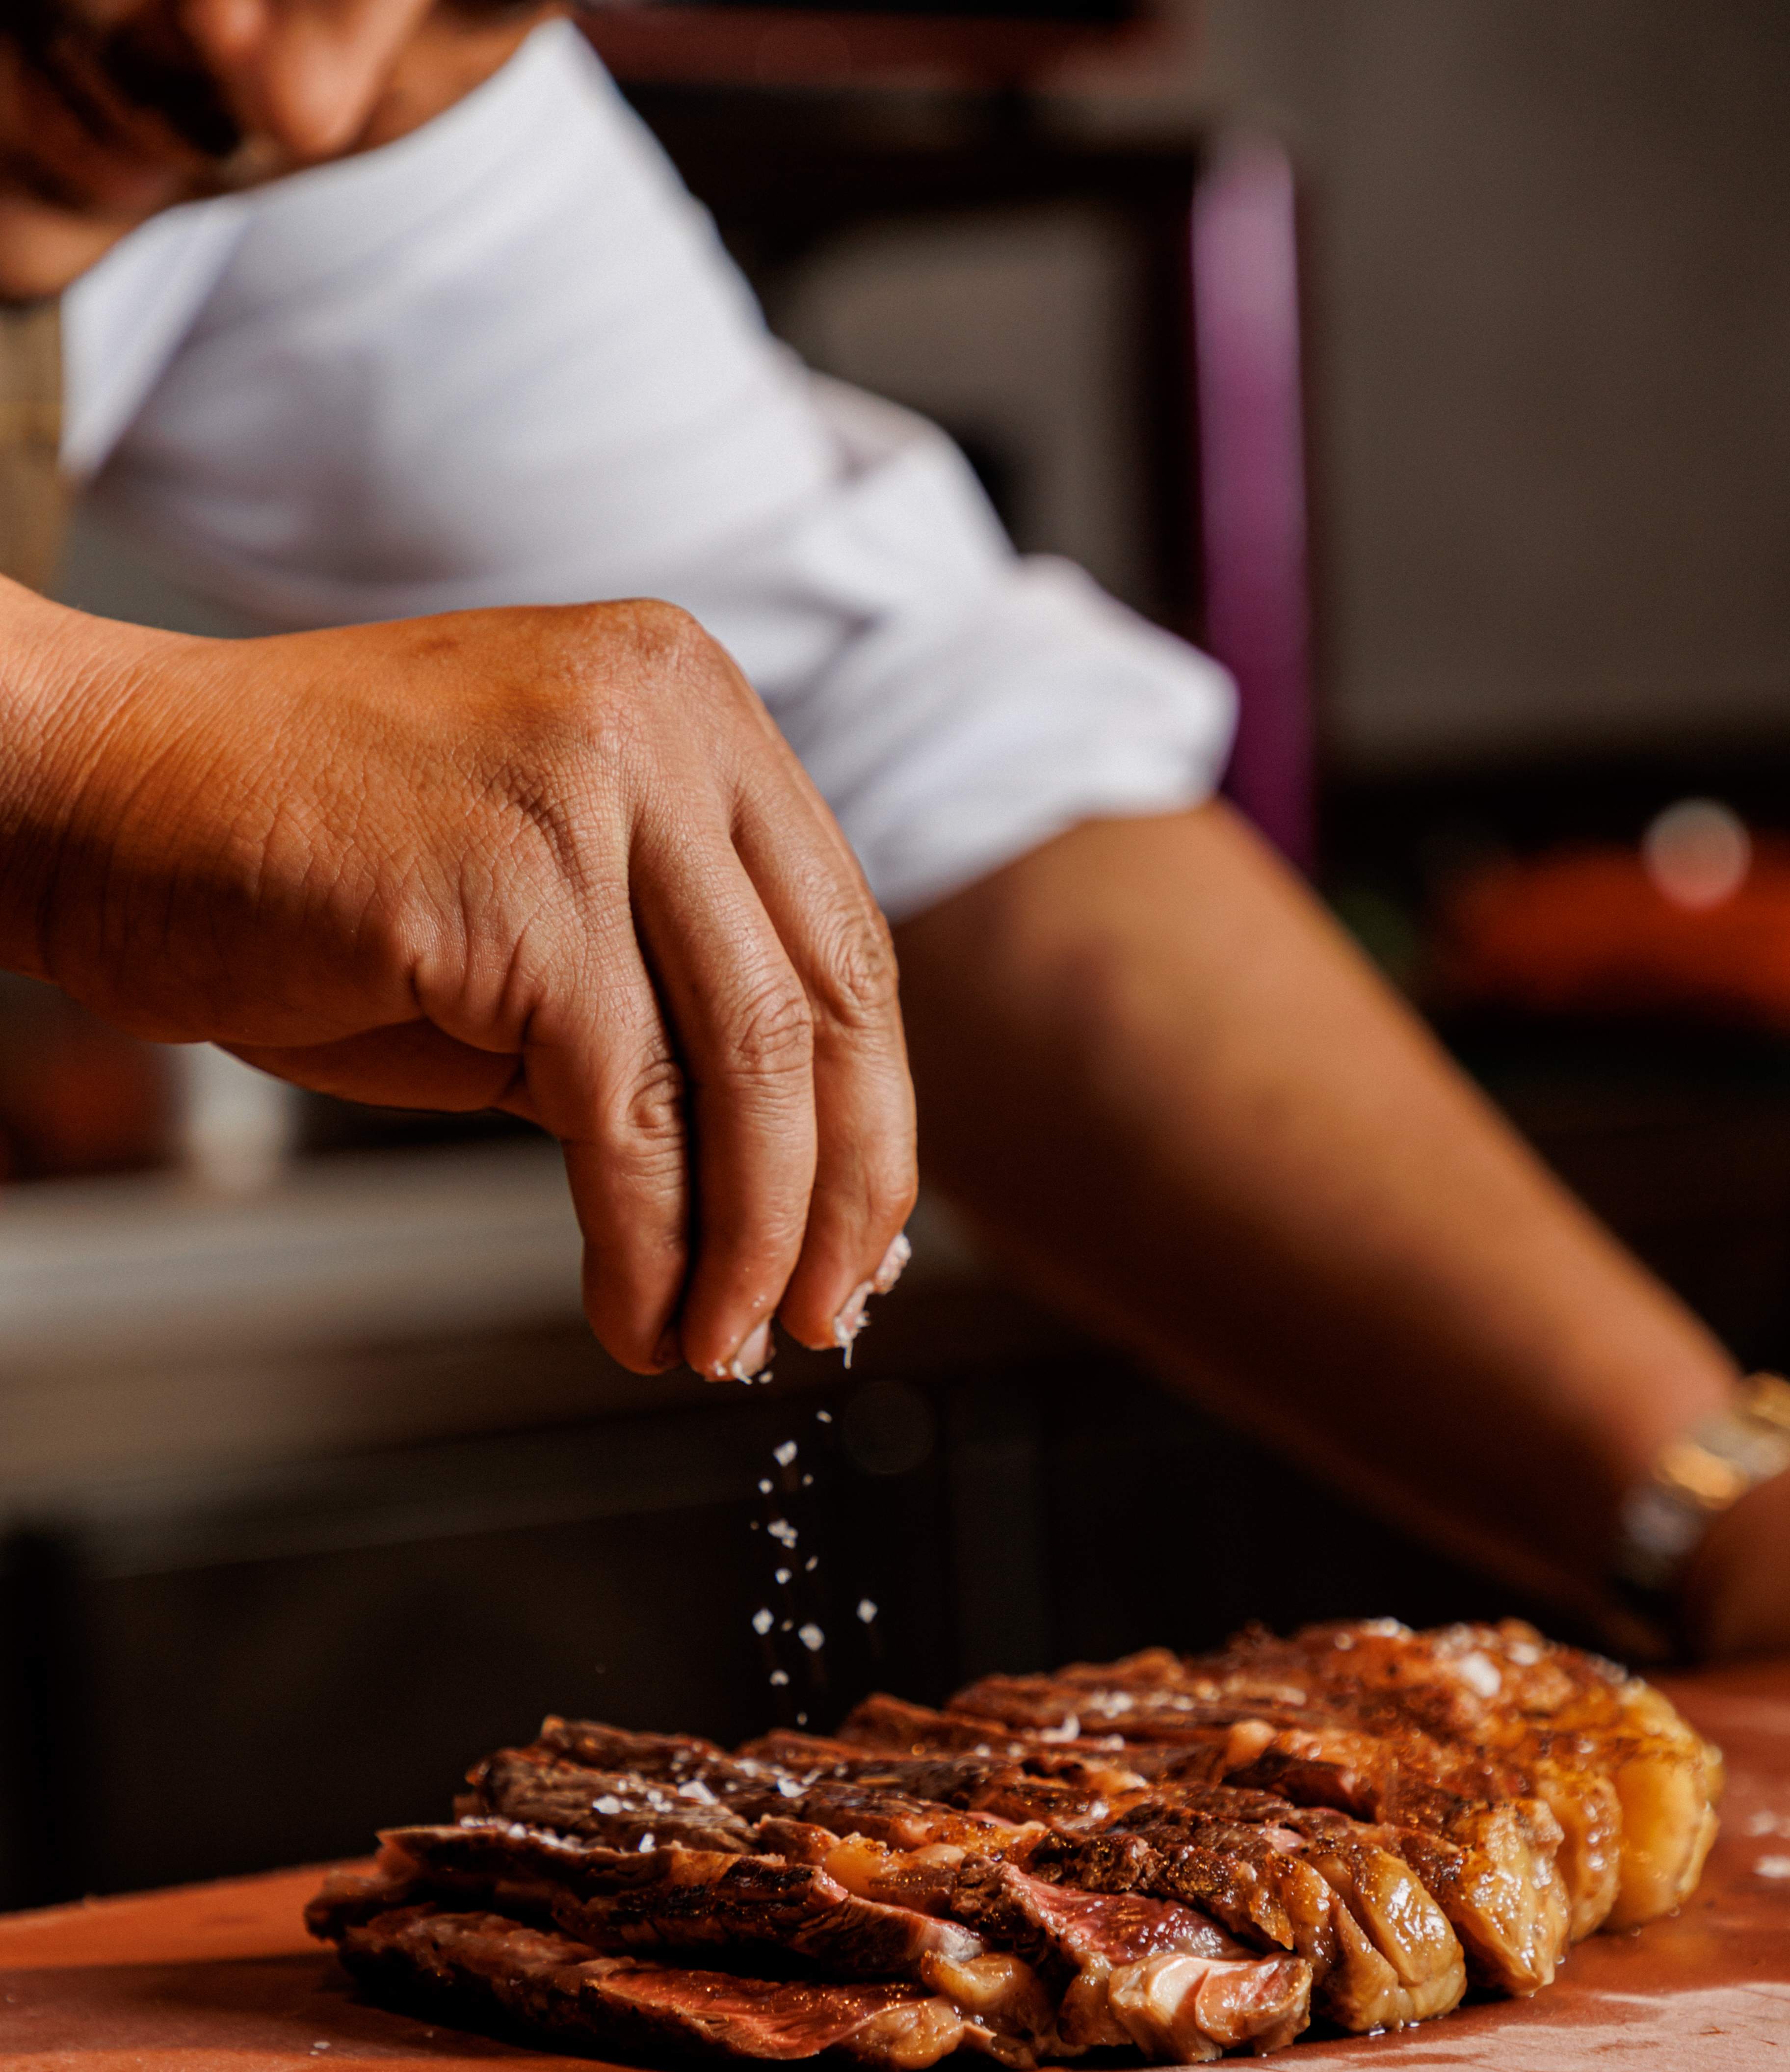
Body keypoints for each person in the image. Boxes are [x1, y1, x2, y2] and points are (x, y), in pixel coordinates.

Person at [0, 0, 1785, 1662]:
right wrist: (74, 760)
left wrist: (1711, 1501)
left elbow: (903, 752)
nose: (284, 84)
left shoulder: (316, 65)